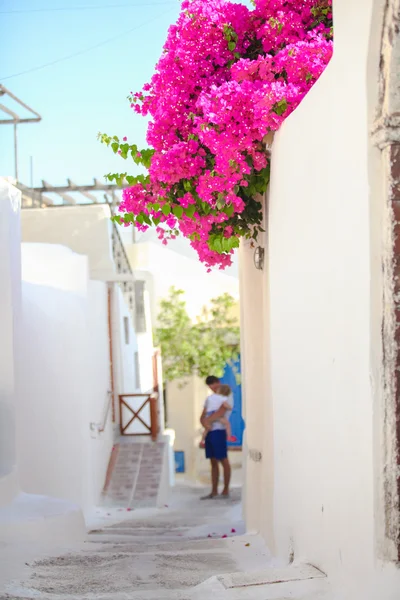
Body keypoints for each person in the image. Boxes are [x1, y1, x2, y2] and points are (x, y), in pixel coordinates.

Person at [200, 375, 233, 499]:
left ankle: (225, 489)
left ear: (218, 383)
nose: (212, 387)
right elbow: (203, 414)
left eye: (214, 384)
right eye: (210, 385)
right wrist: (204, 423)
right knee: (213, 460)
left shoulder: (226, 398)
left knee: (223, 459)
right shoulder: (210, 399)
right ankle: (214, 490)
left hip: (219, 430)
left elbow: (221, 411)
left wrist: (208, 420)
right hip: (210, 431)